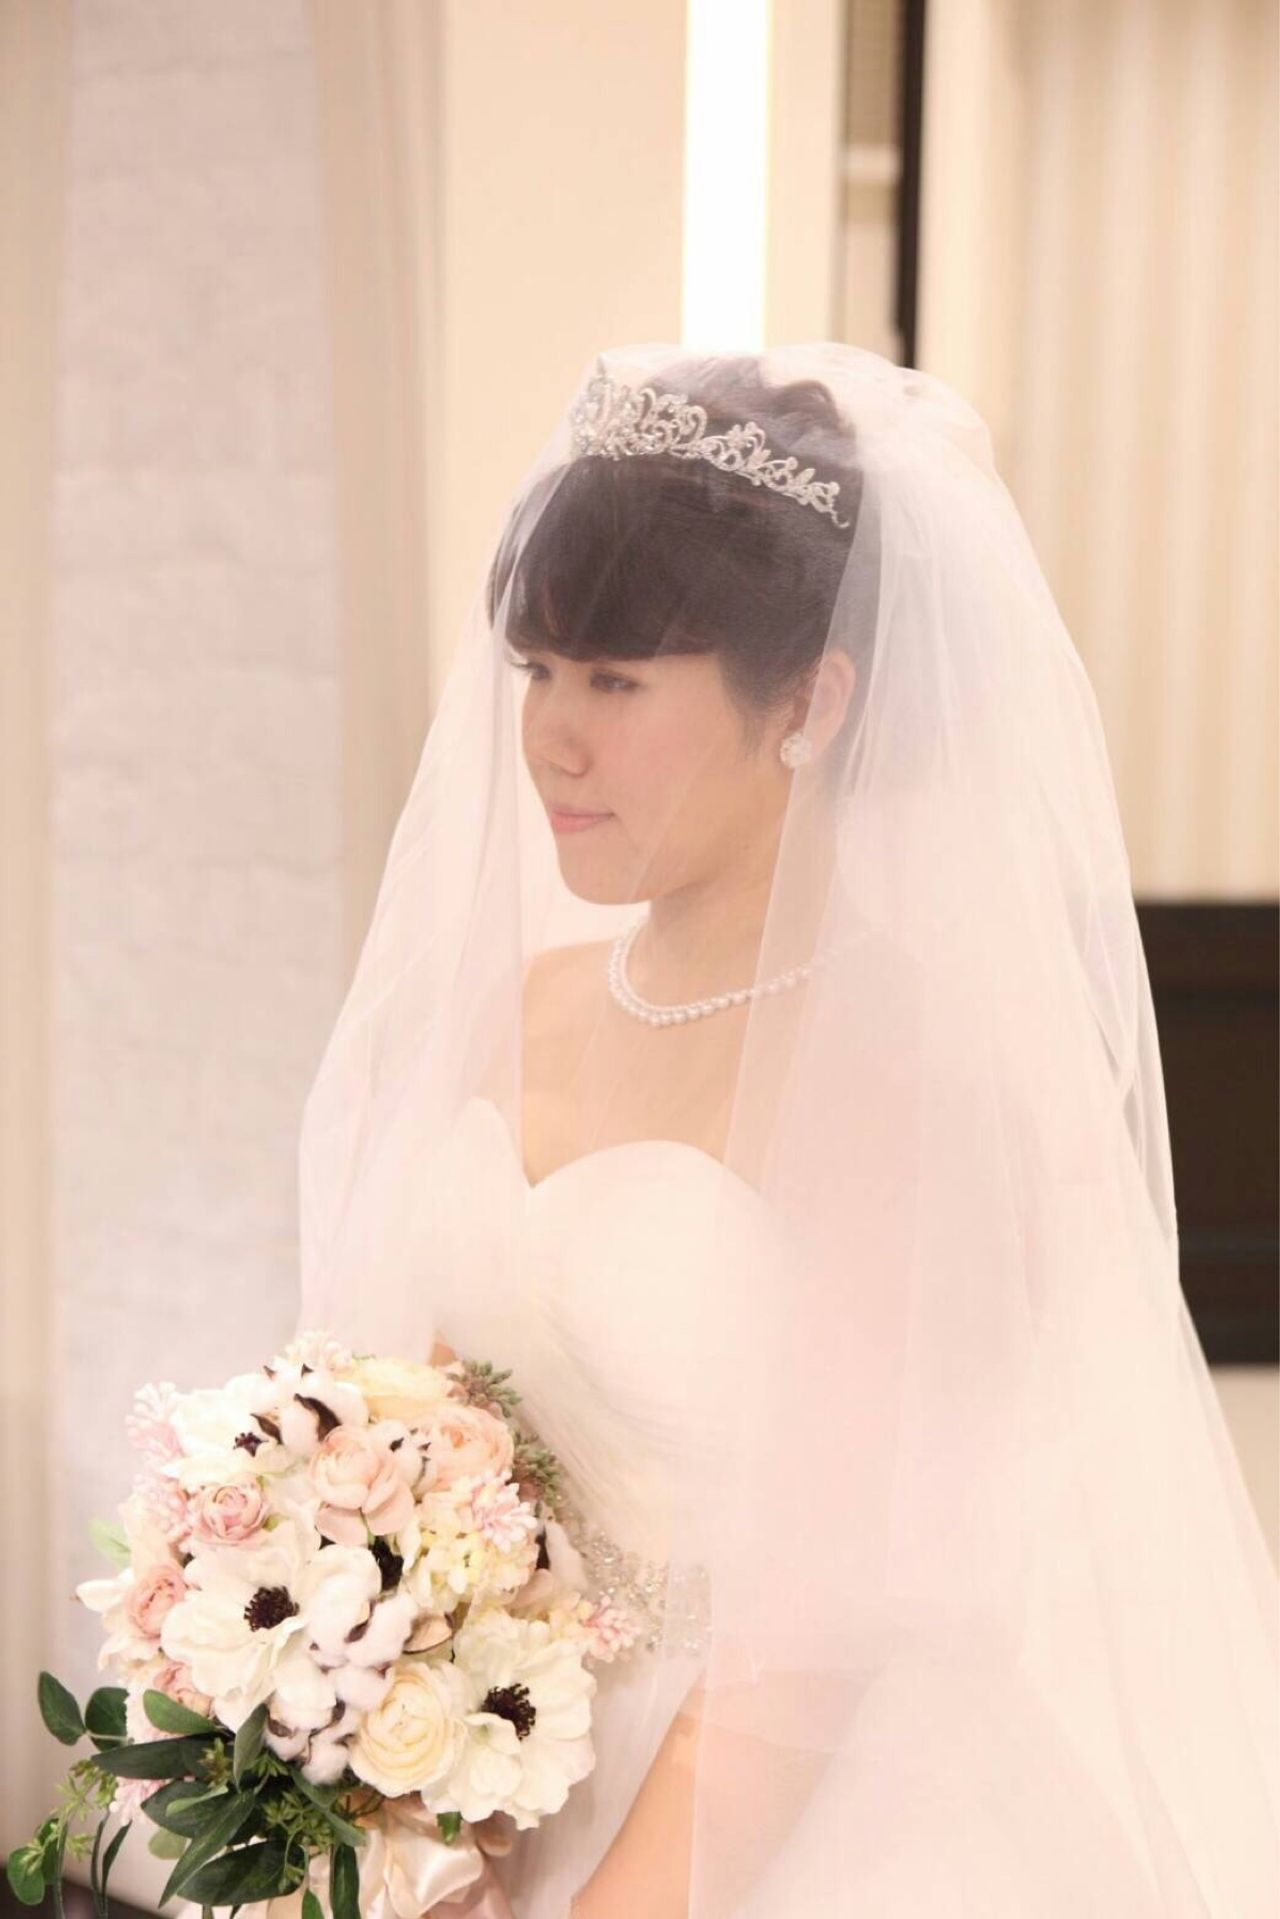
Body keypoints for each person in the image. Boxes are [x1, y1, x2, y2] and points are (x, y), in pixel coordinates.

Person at [295, 343, 1279, 1916]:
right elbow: (422, 1468)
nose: (553, 738)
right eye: (538, 671)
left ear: (810, 704)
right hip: (490, 1792)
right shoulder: (520, 1006)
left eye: (618, 681)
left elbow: (818, 1644)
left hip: (794, 1822)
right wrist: (421, 1825)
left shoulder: (919, 1084)